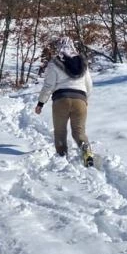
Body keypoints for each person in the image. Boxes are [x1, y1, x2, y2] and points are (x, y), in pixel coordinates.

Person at [34, 36, 95, 167]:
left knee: (60, 131)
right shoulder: (83, 63)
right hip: (80, 100)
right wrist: (85, 100)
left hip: (61, 100)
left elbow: (48, 86)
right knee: (79, 132)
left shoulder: (54, 63)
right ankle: (86, 151)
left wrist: (40, 103)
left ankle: (62, 156)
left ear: (59, 47)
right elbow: (89, 85)